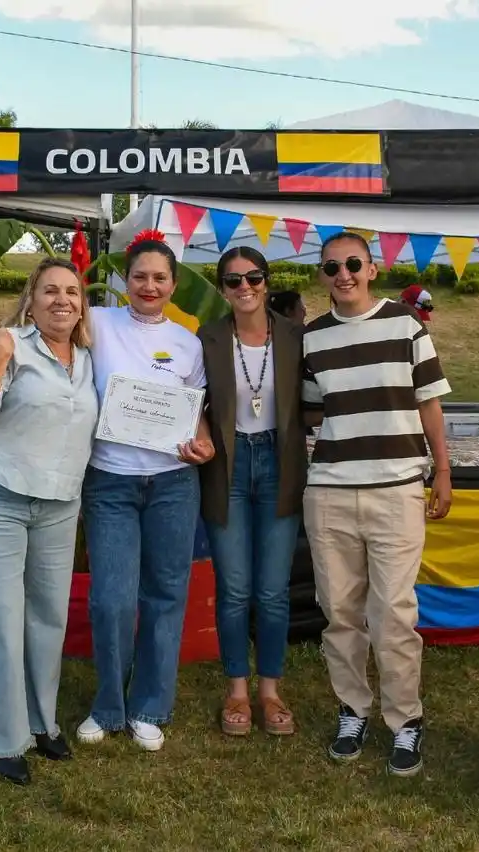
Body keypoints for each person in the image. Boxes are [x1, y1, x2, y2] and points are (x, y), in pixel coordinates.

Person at [0, 231, 215, 753]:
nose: (149, 286)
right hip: (109, 480)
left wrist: (205, 440)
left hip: (173, 482)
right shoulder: (96, 324)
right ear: (123, 282)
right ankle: (108, 705)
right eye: (140, 276)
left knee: (166, 593)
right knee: (110, 599)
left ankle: (150, 704)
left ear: (174, 285)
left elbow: (197, 412)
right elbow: (35, 330)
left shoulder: (188, 342)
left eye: (160, 278)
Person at [302, 231, 452, 778]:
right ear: (322, 274)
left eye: (352, 264)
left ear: (371, 268)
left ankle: (405, 719)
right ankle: (352, 709)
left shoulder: (406, 324)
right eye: (331, 267)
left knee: (393, 613)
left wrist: (444, 470)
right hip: (330, 490)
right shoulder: (312, 338)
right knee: (339, 612)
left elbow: (430, 403)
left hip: (396, 489)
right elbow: (309, 412)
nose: (342, 273)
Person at [0, 258, 98, 786]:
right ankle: (2, 739)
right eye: (50, 291)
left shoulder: (87, 358)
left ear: (82, 304)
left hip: (59, 501)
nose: (63, 300)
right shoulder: (7, 344)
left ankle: (42, 723)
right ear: (31, 300)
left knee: (46, 618)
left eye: (73, 292)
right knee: (0, 617)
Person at [198, 247, 307, 737]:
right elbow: (191, 397)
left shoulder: (296, 337)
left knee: (273, 590)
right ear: (222, 288)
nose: (245, 288)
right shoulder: (208, 338)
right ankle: (237, 690)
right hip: (228, 466)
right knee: (235, 588)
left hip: (279, 464)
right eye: (233, 281)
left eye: (253, 278)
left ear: (266, 281)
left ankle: (270, 689)